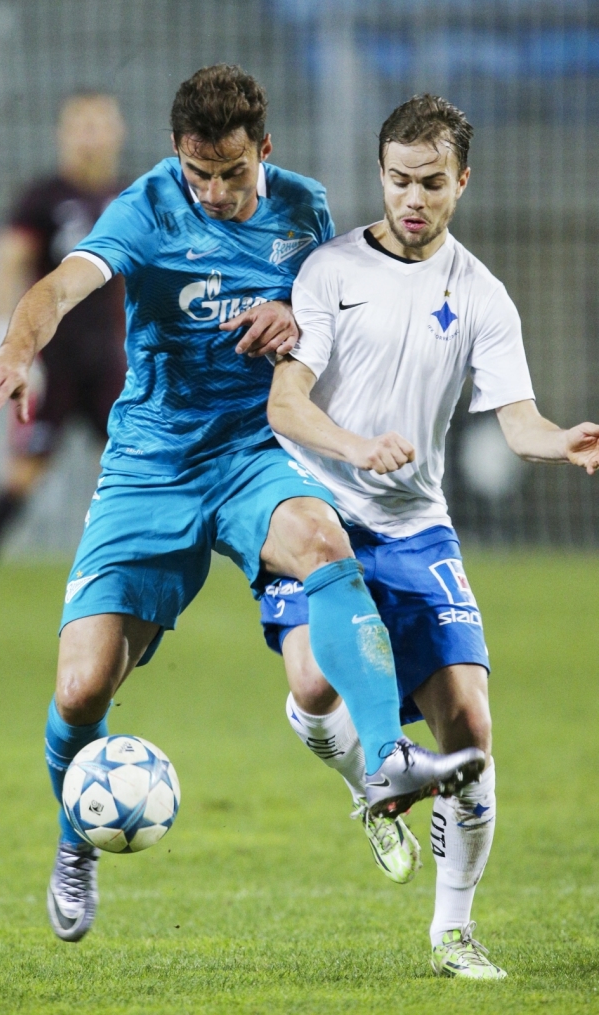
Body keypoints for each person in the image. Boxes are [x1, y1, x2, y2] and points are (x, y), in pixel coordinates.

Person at [0, 67, 484, 944]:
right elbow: (58, 286)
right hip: (152, 463)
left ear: (263, 150)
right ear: (177, 154)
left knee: (321, 537)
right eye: (198, 172)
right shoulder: (146, 208)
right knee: (82, 688)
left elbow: (325, 317)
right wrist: (17, 350)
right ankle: (75, 838)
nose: (213, 191)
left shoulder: (305, 208)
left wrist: (293, 315)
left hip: (253, 451)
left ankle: (387, 763)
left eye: (232, 172)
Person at [261, 93, 599, 980]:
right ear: (381, 175)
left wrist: (561, 441)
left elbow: (517, 420)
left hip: (417, 527)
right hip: (318, 511)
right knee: (313, 683)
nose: (413, 199)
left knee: (472, 728)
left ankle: (453, 931)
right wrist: (356, 448)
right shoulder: (330, 271)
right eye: (399, 180)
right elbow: (286, 404)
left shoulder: (482, 293)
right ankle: (370, 782)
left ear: (462, 182)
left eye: (432, 183)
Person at [0, 92, 128, 622]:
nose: (90, 135)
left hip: (110, 364)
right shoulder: (43, 197)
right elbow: (7, 263)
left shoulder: (128, 198)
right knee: (22, 474)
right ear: (63, 134)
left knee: (135, 467)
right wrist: (5, 343)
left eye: (99, 124)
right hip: (53, 366)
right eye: (80, 124)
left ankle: (134, 576)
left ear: (117, 131)